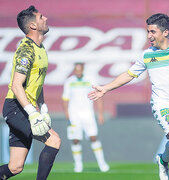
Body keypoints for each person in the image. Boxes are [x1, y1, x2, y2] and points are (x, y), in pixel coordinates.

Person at [88, 13, 169, 180]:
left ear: (165, 32)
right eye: (148, 31)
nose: (149, 36)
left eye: (153, 32)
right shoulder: (147, 55)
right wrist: (106, 88)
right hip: (162, 104)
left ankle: (162, 160)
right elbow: (129, 74)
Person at [0, 6, 61, 180]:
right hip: (16, 108)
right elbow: (16, 85)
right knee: (54, 141)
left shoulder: (40, 48)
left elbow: (37, 84)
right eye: (41, 17)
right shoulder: (26, 49)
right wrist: (33, 114)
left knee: (15, 167)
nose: (46, 18)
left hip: (25, 108)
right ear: (33, 26)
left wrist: (43, 108)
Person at [62, 63, 110, 173]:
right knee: (75, 140)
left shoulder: (90, 80)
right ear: (74, 71)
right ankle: (78, 165)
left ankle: (102, 164)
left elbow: (98, 97)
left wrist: (100, 114)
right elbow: (65, 99)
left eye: (80, 70)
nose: (78, 72)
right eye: (76, 70)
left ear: (83, 70)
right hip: (74, 115)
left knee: (93, 137)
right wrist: (66, 113)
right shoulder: (69, 81)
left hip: (88, 114)